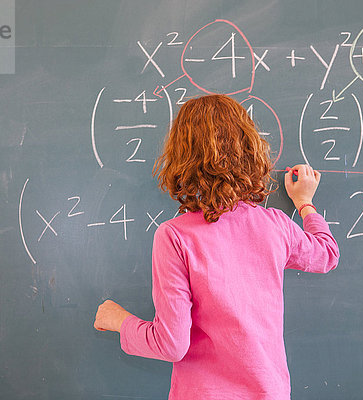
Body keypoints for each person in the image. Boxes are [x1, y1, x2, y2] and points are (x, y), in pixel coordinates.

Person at [94, 94, 339, 399]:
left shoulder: (174, 237)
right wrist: (304, 203)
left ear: (181, 157)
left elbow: (171, 344)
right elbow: (326, 254)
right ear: (250, 150)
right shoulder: (274, 225)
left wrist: (118, 320)